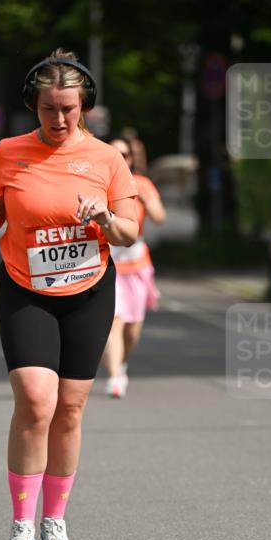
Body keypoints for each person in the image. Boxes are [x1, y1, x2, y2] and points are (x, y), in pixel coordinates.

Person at [0, 49, 139, 540]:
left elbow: (130, 233)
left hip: (88, 290)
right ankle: (21, 530)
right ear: (33, 107)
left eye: (68, 108)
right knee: (36, 401)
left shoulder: (108, 159)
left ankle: (54, 523)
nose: (59, 119)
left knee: (69, 409)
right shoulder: (7, 152)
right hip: (26, 287)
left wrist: (105, 216)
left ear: (84, 104)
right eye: (48, 109)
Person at [102, 136, 166, 398]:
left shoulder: (141, 184)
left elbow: (159, 218)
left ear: (131, 158)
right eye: (115, 154)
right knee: (114, 322)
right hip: (109, 263)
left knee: (133, 329)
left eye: (125, 155)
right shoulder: (100, 184)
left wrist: (145, 200)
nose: (121, 159)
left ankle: (122, 363)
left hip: (137, 264)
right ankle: (115, 377)